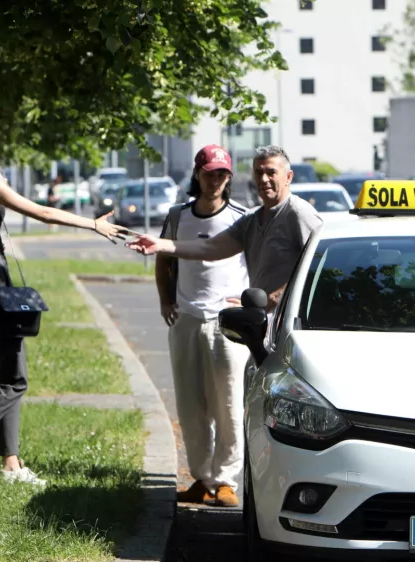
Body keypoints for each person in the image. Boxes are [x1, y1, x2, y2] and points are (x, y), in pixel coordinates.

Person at [0, 120, 129, 487]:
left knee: (4, 375)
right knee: (15, 382)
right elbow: (43, 212)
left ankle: (12, 465)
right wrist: (93, 225)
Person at [155, 145, 251, 507]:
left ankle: (225, 481)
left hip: (227, 325)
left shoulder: (242, 217)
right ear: (197, 174)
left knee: (228, 404)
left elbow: (258, 262)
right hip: (186, 321)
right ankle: (201, 477)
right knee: (190, 406)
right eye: (210, 173)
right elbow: (163, 260)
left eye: (223, 174)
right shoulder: (178, 216)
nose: (216, 180)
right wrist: (166, 300)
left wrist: (248, 301)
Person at [126, 145, 323, 316]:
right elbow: (210, 248)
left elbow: (321, 264)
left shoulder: (299, 213)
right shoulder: (252, 219)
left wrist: (279, 295)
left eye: (271, 172)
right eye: (258, 173)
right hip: (263, 324)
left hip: (292, 322)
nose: (263, 179)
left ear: (288, 177)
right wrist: (160, 244)